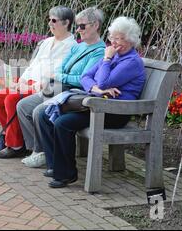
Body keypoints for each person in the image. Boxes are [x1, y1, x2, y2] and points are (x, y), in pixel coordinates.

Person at [36, 16, 146, 188]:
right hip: (99, 104)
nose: (114, 42)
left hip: (115, 112)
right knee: (45, 114)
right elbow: (86, 77)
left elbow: (102, 81)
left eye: (119, 38)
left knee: (62, 123)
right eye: (112, 38)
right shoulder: (116, 55)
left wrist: (106, 61)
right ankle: (56, 167)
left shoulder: (131, 61)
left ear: (131, 40)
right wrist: (97, 89)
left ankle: (66, 174)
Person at [17, 7, 106, 167]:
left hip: (74, 93)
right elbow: (60, 69)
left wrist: (59, 76)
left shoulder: (99, 52)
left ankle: (45, 153)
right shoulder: (78, 47)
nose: (78, 30)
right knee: (23, 106)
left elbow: (83, 80)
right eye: (77, 26)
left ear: (95, 25)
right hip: (59, 87)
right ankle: (37, 150)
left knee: (39, 111)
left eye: (82, 26)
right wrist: (58, 76)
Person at [0, 6, 77, 159]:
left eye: (54, 20)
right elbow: (33, 64)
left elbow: (55, 76)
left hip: (47, 88)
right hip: (28, 82)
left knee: (11, 99)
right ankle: (16, 136)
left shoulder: (72, 47)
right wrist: (20, 81)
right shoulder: (47, 42)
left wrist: (31, 86)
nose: (50, 23)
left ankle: (16, 145)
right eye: (49, 20)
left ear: (66, 23)